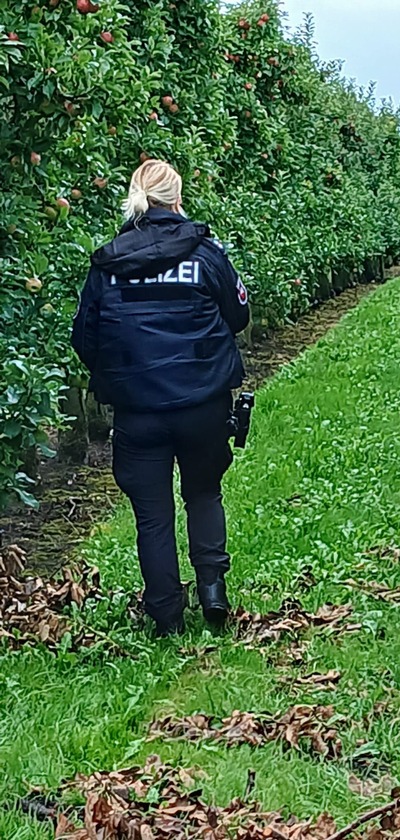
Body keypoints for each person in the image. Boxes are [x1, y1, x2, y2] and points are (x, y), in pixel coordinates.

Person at [71, 159, 250, 637]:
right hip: (203, 404)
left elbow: (85, 338)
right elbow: (238, 314)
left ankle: (166, 615)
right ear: (177, 198)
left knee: (152, 514)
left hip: (138, 411)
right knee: (203, 492)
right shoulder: (206, 253)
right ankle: (212, 591)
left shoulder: (109, 263)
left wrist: (127, 373)